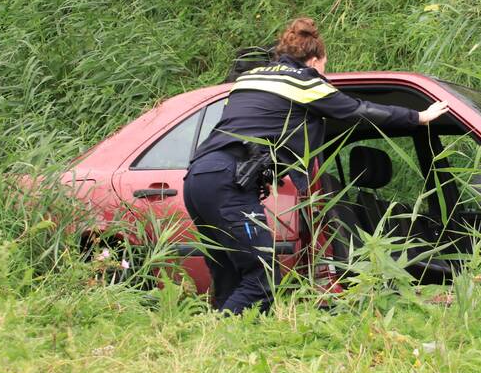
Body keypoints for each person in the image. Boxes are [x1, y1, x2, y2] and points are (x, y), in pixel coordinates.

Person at [183, 17, 449, 315]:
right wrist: (418, 117)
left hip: (197, 178)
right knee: (263, 279)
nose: (325, 74)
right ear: (313, 61)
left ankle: (216, 340)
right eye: (325, 67)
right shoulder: (303, 81)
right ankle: (220, 331)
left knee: (229, 276)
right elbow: (357, 110)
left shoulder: (249, 78)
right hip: (229, 182)